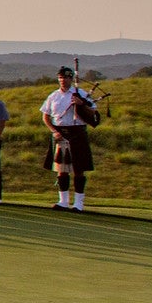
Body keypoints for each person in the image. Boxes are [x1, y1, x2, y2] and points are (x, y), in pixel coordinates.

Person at [41, 66, 97, 212]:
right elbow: (46, 116)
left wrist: (81, 104)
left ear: (71, 79)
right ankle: (63, 201)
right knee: (61, 169)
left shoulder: (80, 94)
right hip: (60, 133)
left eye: (65, 77)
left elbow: (94, 112)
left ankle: (78, 203)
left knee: (78, 169)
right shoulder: (53, 96)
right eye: (60, 77)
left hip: (77, 132)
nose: (63, 80)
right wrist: (54, 131)